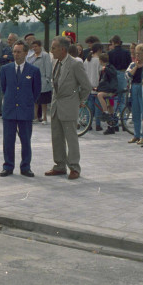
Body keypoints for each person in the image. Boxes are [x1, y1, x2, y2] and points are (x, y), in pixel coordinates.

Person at [45, 37, 91, 180]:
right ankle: (59, 165)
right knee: (57, 137)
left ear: (62, 49)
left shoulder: (75, 64)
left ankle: (74, 167)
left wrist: (79, 100)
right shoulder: (56, 62)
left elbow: (86, 86)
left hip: (69, 105)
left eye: (53, 48)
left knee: (71, 138)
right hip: (56, 106)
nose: (51, 51)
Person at [0, 41, 41, 177]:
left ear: (25, 53)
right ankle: (8, 166)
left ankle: (25, 166)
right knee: (8, 140)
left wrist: (27, 102)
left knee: (26, 140)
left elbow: (36, 91)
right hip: (10, 110)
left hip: (25, 110)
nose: (16, 54)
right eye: (14, 51)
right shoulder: (5, 69)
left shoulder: (34, 71)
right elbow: (4, 88)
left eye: (19, 52)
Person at [127, 44, 143, 145]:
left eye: (140, 54)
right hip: (134, 87)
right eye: (136, 54)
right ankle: (136, 135)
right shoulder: (132, 64)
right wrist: (136, 66)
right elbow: (128, 75)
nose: (137, 56)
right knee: (135, 113)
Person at [108, 35, 132, 128]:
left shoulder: (110, 53)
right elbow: (129, 64)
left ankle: (115, 122)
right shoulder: (126, 52)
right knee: (122, 99)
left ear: (113, 43)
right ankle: (123, 121)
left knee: (114, 98)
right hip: (123, 74)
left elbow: (109, 65)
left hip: (114, 75)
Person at [26, 40, 52, 124]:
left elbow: (48, 67)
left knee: (43, 101)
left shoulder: (45, 55)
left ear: (40, 46)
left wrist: (48, 78)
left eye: (36, 46)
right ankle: (35, 116)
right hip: (33, 80)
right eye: (33, 47)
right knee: (35, 100)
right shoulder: (31, 56)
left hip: (43, 80)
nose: (34, 48)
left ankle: (44, 118)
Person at [95, 53, 118, 132]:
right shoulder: (105, 68)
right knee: (110, 106)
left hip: (111, 90)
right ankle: (112, 126)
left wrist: (106, 69)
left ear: (101, 61)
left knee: (100, 95)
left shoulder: (108, 67)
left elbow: (112, 76)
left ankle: (105, 112)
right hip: (108, 89)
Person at [83, 42, 103, 131]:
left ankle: (88, 123)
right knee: (98, 106)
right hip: (97, 85)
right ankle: (98, 124)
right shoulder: (99, 61)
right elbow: (100, 73)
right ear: (99, 50)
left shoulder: (87, 60)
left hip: (88, 85)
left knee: (89, 106)